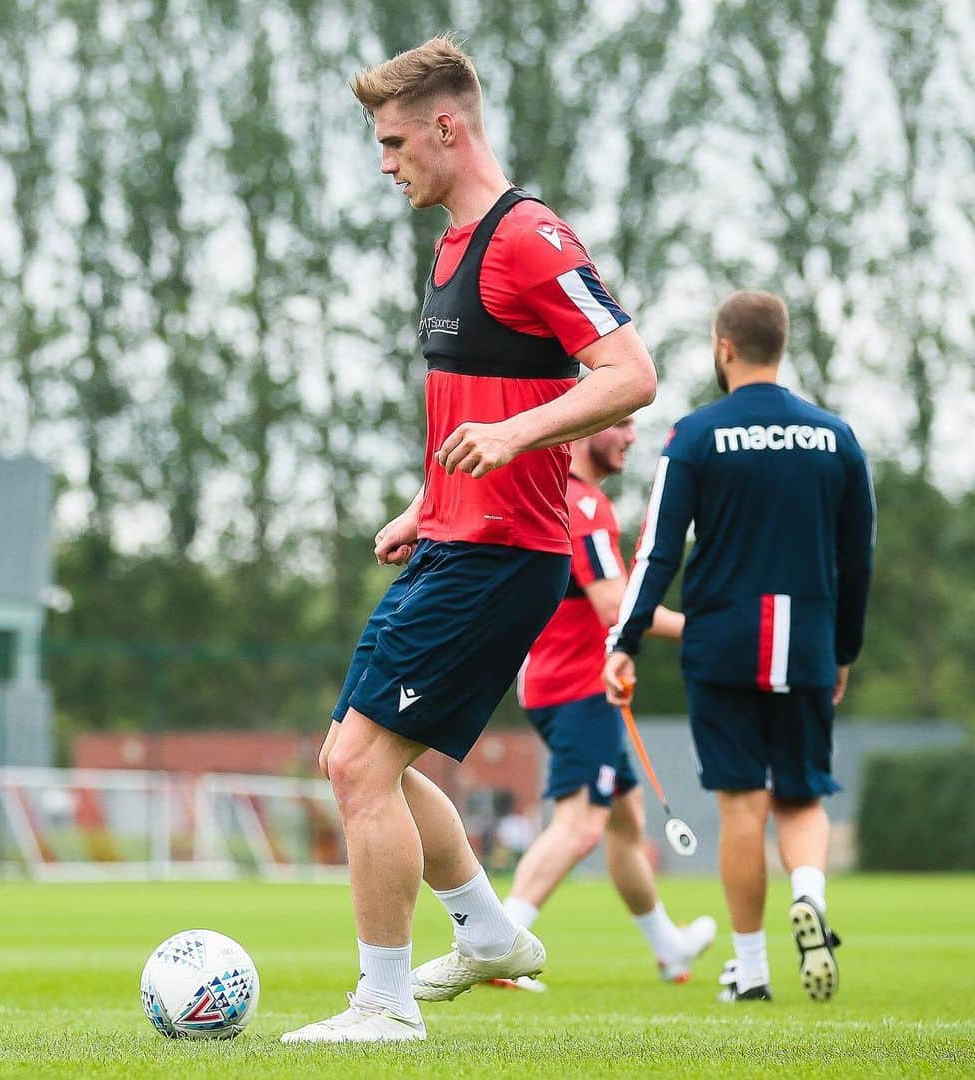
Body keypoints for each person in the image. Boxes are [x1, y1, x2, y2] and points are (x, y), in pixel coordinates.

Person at [281, 35, 657, 1044]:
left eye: (397, 141)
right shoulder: (450, 244)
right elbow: (477, 402)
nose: (386, 161)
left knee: (360, 765)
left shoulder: (529, 235)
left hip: (507, 557)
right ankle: (487, 933)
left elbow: (630, 373)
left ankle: (387, 1006)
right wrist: (426, 496)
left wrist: (513, 436)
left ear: (449, 127)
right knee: (359, 762)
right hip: (456, 538)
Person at [603, 291, 875, 1003]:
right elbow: (859, 557)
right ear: (779, 348)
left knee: (741, 808)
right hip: (809, 640)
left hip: (724, 642)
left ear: (724, 347)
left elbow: (657, 551)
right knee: (803, 795)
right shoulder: (836, 438)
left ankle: (751, 970)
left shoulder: (695, 436)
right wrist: (842, 648)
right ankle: (808, 894)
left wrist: (625, 641)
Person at [499, 418, 715, 993]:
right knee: (581, 825)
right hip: (576, 689)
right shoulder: (585, 504)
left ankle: (669, 947)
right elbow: (614, 604)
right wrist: (702, 630)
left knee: (625, 821)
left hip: (561, 686)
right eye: (620, 421)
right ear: (585, 425)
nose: (631, 435)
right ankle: (498, 944)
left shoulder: (550, 492)